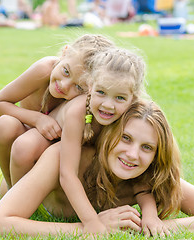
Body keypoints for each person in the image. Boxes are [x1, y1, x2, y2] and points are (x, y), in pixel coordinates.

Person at [0, 100, 194, 237]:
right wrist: (87, 229)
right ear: (108, 135)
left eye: (147, 148)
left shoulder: (146, 176)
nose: (133, 155)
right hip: (8, 184)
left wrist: (161, 225)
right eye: (126, 139)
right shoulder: (63, 157)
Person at [0, 34, 115, 187]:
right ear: (65, 52)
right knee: (7, 128)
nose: (64, 85)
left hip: (37, 146)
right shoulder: (45, 69)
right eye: (66, 71)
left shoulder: (85, 103)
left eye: (79, 87)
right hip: (22, 137)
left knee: (16, 143)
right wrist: (38, 119)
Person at [56, 47, 147, 234]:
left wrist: (150, 213)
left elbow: (147, 175)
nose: (108, 105)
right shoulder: (77, 113)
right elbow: (67, 173)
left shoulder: (136, 115)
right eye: (101, 92)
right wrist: (91, 222)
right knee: (25, 146)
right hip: (48, 137)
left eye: (120, 97)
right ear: (90, 85)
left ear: (133, 98)